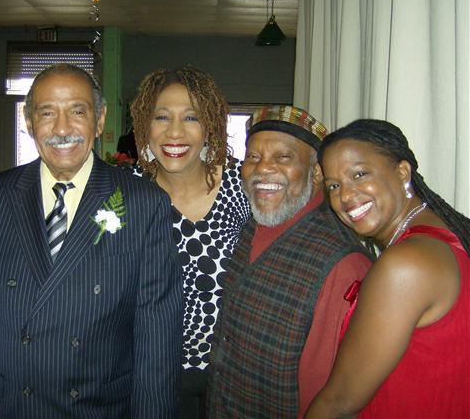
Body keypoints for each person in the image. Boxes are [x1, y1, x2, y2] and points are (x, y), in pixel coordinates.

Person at [0, 63, 183, 418]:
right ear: (28, 121)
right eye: (47, 113)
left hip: (95, 408)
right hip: (9, 404)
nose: (62, 128)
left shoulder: (143, 202)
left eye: (77, 112)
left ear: (99, 119)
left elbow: (156, 340)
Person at [207, 105, 373, 418]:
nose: (262, 169)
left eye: (283, 157)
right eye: (253, 157)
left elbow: (331, 397)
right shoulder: (250, 228)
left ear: (316, 173)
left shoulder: (343, 265)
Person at [305, 119, 470, 418]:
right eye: (334, 185)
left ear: (403, 172)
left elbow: (340, 402)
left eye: (359, 174)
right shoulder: (438, 237)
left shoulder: (406, 266)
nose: (345, 196)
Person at [129, 66, 251, 419]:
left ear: (209, 126)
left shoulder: (242, 189)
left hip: (233, 374)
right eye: (161, 117)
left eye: (191, 118)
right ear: (144, 127)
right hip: (152, 374)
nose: (175, 132)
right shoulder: (126, 196)